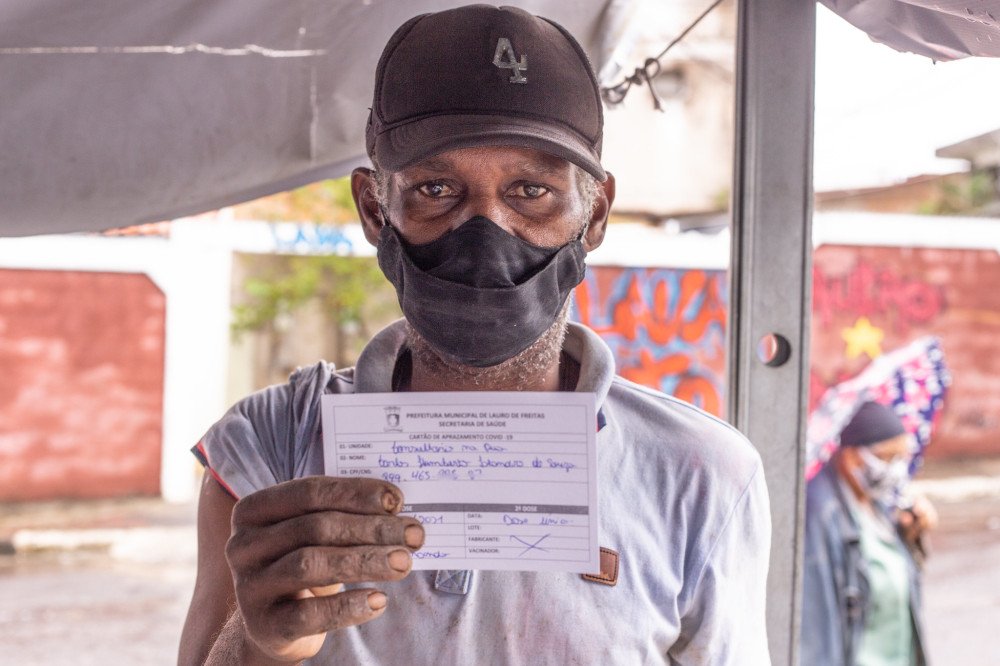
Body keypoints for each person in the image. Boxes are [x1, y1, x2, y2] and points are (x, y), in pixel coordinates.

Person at [179, 5, 771, 664]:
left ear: (595, 213)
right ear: (376, 209)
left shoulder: (703, 474)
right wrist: (260, 644)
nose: (486, 233)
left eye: (530, 191)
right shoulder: (271, 447)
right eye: (436, 188)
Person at [800, 401, 935, 665]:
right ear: (851, 457)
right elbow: (815, 630)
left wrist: (910, 535)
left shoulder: (876, 504)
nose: (896, 467)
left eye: (902, 457)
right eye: (887, 456)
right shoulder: (819, 514)